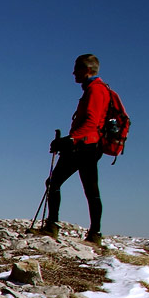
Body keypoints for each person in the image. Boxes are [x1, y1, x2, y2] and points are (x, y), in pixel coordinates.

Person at [39, 54, 110, 245]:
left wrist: (68, 140)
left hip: (83, 146)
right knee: (91, 190)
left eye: (76, 69)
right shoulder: (98, 89)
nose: (73, 73)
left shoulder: (95, 90)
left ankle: (52, 226)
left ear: (87, 70)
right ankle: (95, 234)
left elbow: (91, 122)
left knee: (54, 182)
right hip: (91, 146)